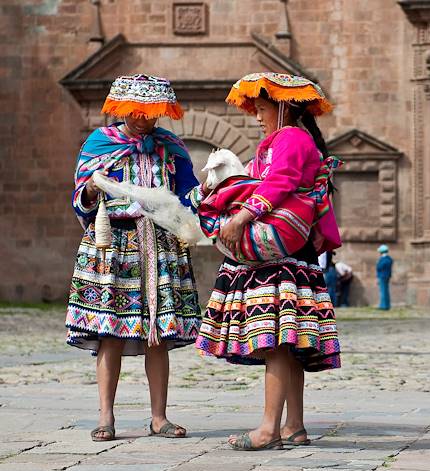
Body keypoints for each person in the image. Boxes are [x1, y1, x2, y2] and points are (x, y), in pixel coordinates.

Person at [194, 72, 341, 451]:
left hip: (280, 256)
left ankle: (268, 429)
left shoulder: (290, 138)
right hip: (295, 254)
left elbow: (280, 183)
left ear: (284, 107)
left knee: (275, 342)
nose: (257, 117)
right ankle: (294, 426)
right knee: (287, 342)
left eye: (261, 109)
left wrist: (241, 217)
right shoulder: (279, 143)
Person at [65, 74, 201, 441]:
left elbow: (189, 192)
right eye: (137, 111)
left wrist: (203, 205)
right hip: (114, 248)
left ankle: (159, 417)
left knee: (156, 333)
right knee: (110, 330)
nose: (144, 118)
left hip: (159, 245)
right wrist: (92, 187)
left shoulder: (170, 147)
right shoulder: (100, 143)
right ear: (122, 109)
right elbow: (80, 197)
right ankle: (106, 417)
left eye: (152, 112)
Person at [376, 244, 393, 310]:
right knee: (385, 291)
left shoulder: (384, 259)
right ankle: (386, 305)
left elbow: (379, 267)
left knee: (383, 291)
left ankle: (383, 306)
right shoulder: (389, 259)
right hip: (387, 276)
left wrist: (378, 263)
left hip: (383, 276)